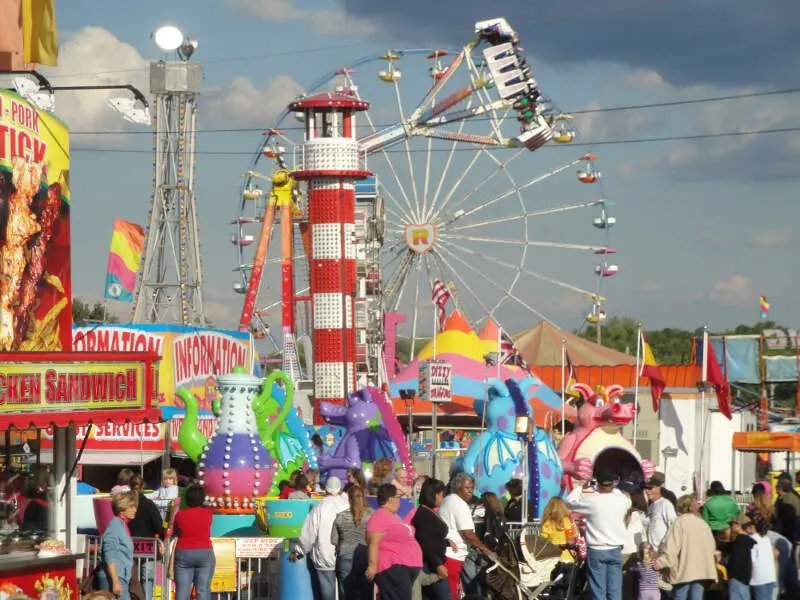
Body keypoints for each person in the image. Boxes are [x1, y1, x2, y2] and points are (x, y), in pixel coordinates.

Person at [565, 469, 631, 600]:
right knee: (615, 590)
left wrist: (580, 488)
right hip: (615, 549)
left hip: (597, 549)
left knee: (598, 591)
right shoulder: (622, 500)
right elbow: (624, 498)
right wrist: (613, 489)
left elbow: (570, 502)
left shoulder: (593, 501)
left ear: (598, 484)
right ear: (612, 484)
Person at [438, 473, 496, 600]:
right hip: (453, 554)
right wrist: (487, 550)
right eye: (467, 488)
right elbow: (468, 534)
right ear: (459, 488)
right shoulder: (459, 504)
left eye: (472, 488)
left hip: (446, 552)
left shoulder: (447, 500)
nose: (470, 491)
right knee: (452, 592)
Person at [291, 476, 349, 600]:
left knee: (327, 593)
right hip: (346, 556)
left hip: (325, 557)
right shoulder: (347, 506)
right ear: (340, 489)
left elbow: (308, 535)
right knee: (347, 592)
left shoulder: (319, 508)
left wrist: (298, 552)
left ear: (325, 489)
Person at [653, 495, 717, 600]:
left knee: (680, 596)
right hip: (702, 569)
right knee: (697, 597)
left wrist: (660, 563)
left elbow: (671, 548)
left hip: (684, 569)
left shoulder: (679, 523)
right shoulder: (703, 523)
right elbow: (712, 546)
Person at [366, 483, 423, 600]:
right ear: (390, 499)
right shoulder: (380, 516)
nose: (399, 501)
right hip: (393, 569)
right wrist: (372, 566)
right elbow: (373, 542)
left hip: (403, 570)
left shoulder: (393, 516)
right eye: (397, 498)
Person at [171, 484, 215, 600]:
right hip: (204, 551)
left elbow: (176, 531)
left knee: (182, 589)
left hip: (183, 552)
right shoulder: (208, 513)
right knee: (203, 589)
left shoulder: (180, 515)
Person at [411, 478, 452, 600]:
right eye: (441, 494)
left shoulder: (428, 512)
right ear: (434, 494)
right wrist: (437, 564)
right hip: (431, 567)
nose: (442, 497)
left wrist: (446, 542)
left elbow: (432, 537)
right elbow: (426, 543)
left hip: (431, 564)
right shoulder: (425, 515)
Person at [331, 484, 373, 600]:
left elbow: (333, 540)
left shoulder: (340, 517)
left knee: (347, 595)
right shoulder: (371, 516)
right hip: (366, 557)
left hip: (345, 558)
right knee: (366, 595)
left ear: (349, 499)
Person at [128, 474, 165, 600]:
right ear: (143, 486)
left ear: (129, 486)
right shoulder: (149, 505)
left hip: (129, 550)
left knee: (130, 584)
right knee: (147, 584)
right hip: (148, 550)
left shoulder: (125, 504)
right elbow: (160, 528)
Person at [98, 492, 138, 600]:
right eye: (131, 507)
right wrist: (115, 581)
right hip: (114, 578)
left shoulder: (121, 525)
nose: (135, 510)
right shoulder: (115, 525)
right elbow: (109, 554)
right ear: (122, 508)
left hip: (120, 577)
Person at [722, 515, 755, 600]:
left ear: (738, 525)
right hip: (746, 578)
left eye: (731, 525)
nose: (731, 527)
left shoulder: (739, 541)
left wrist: (725, 563)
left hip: (737, 578)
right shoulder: (750, 541)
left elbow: (736, 561)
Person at [644, 473, 676, 550]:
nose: (647, 491)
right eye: (645, 488)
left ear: (659, 488)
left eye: (650, 488)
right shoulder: (651, 506)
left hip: (662, 550)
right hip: (652, 550)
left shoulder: (665, 504)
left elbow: (673, 526)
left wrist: (663, 543)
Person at [748, 516, 777, 600]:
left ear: (753, 527)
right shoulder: (766, 538)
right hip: (770, 575)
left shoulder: (752, 539)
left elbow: (751, 559)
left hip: (758, 576)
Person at [539, 497, 577, 563]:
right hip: (566, 555)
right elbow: (570, 538)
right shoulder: (566, 521)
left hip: (551, 556)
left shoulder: (547, 523)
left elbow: (543, 540)